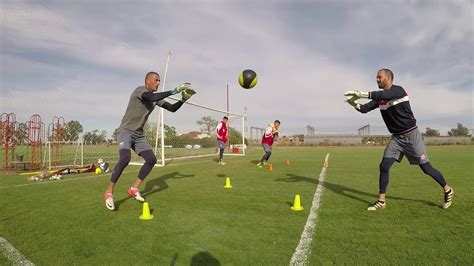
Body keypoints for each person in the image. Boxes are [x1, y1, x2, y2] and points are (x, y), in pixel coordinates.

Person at [344, 68, 454, 210]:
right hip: (396, 138)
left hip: (411, 135)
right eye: (376, 77)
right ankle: (381, 201)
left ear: (388, 78)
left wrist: (360, 93)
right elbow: (364, 109)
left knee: (426, 168)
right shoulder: (381, 99)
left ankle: (447, 189)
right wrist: (353, 103)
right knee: (384, 166)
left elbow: (383, 94)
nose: (377, 80)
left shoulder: (398, 91)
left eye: (380, 77)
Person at [104, 71, 196, 211]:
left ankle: (134, 188)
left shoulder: (155, 98)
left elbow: (171, 108)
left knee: (151, 159)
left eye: (159, 80)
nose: (158, 83)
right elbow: (151, 96)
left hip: (139, 135)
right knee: (125, 159)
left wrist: (183, 100)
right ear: (147, 81)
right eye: (156, 80)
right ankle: (108, 192)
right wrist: (174, 90)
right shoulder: (140, 90)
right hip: (126, 131)